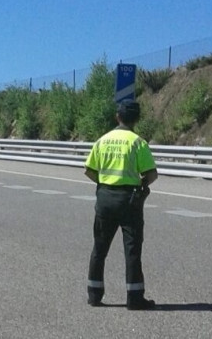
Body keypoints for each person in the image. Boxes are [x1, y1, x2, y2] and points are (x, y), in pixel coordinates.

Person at [84, 99, 158, 310]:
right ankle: (134, 298)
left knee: (99, 248)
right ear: (136, 119)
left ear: (117, 116)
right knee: (132, 251)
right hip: (129, 202)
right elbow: (152, 174)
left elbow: (89, 170)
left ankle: (94, 295)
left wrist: (104, 183)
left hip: (105, 199)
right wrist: (141, 183)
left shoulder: (103, 140)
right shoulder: (137, 142)